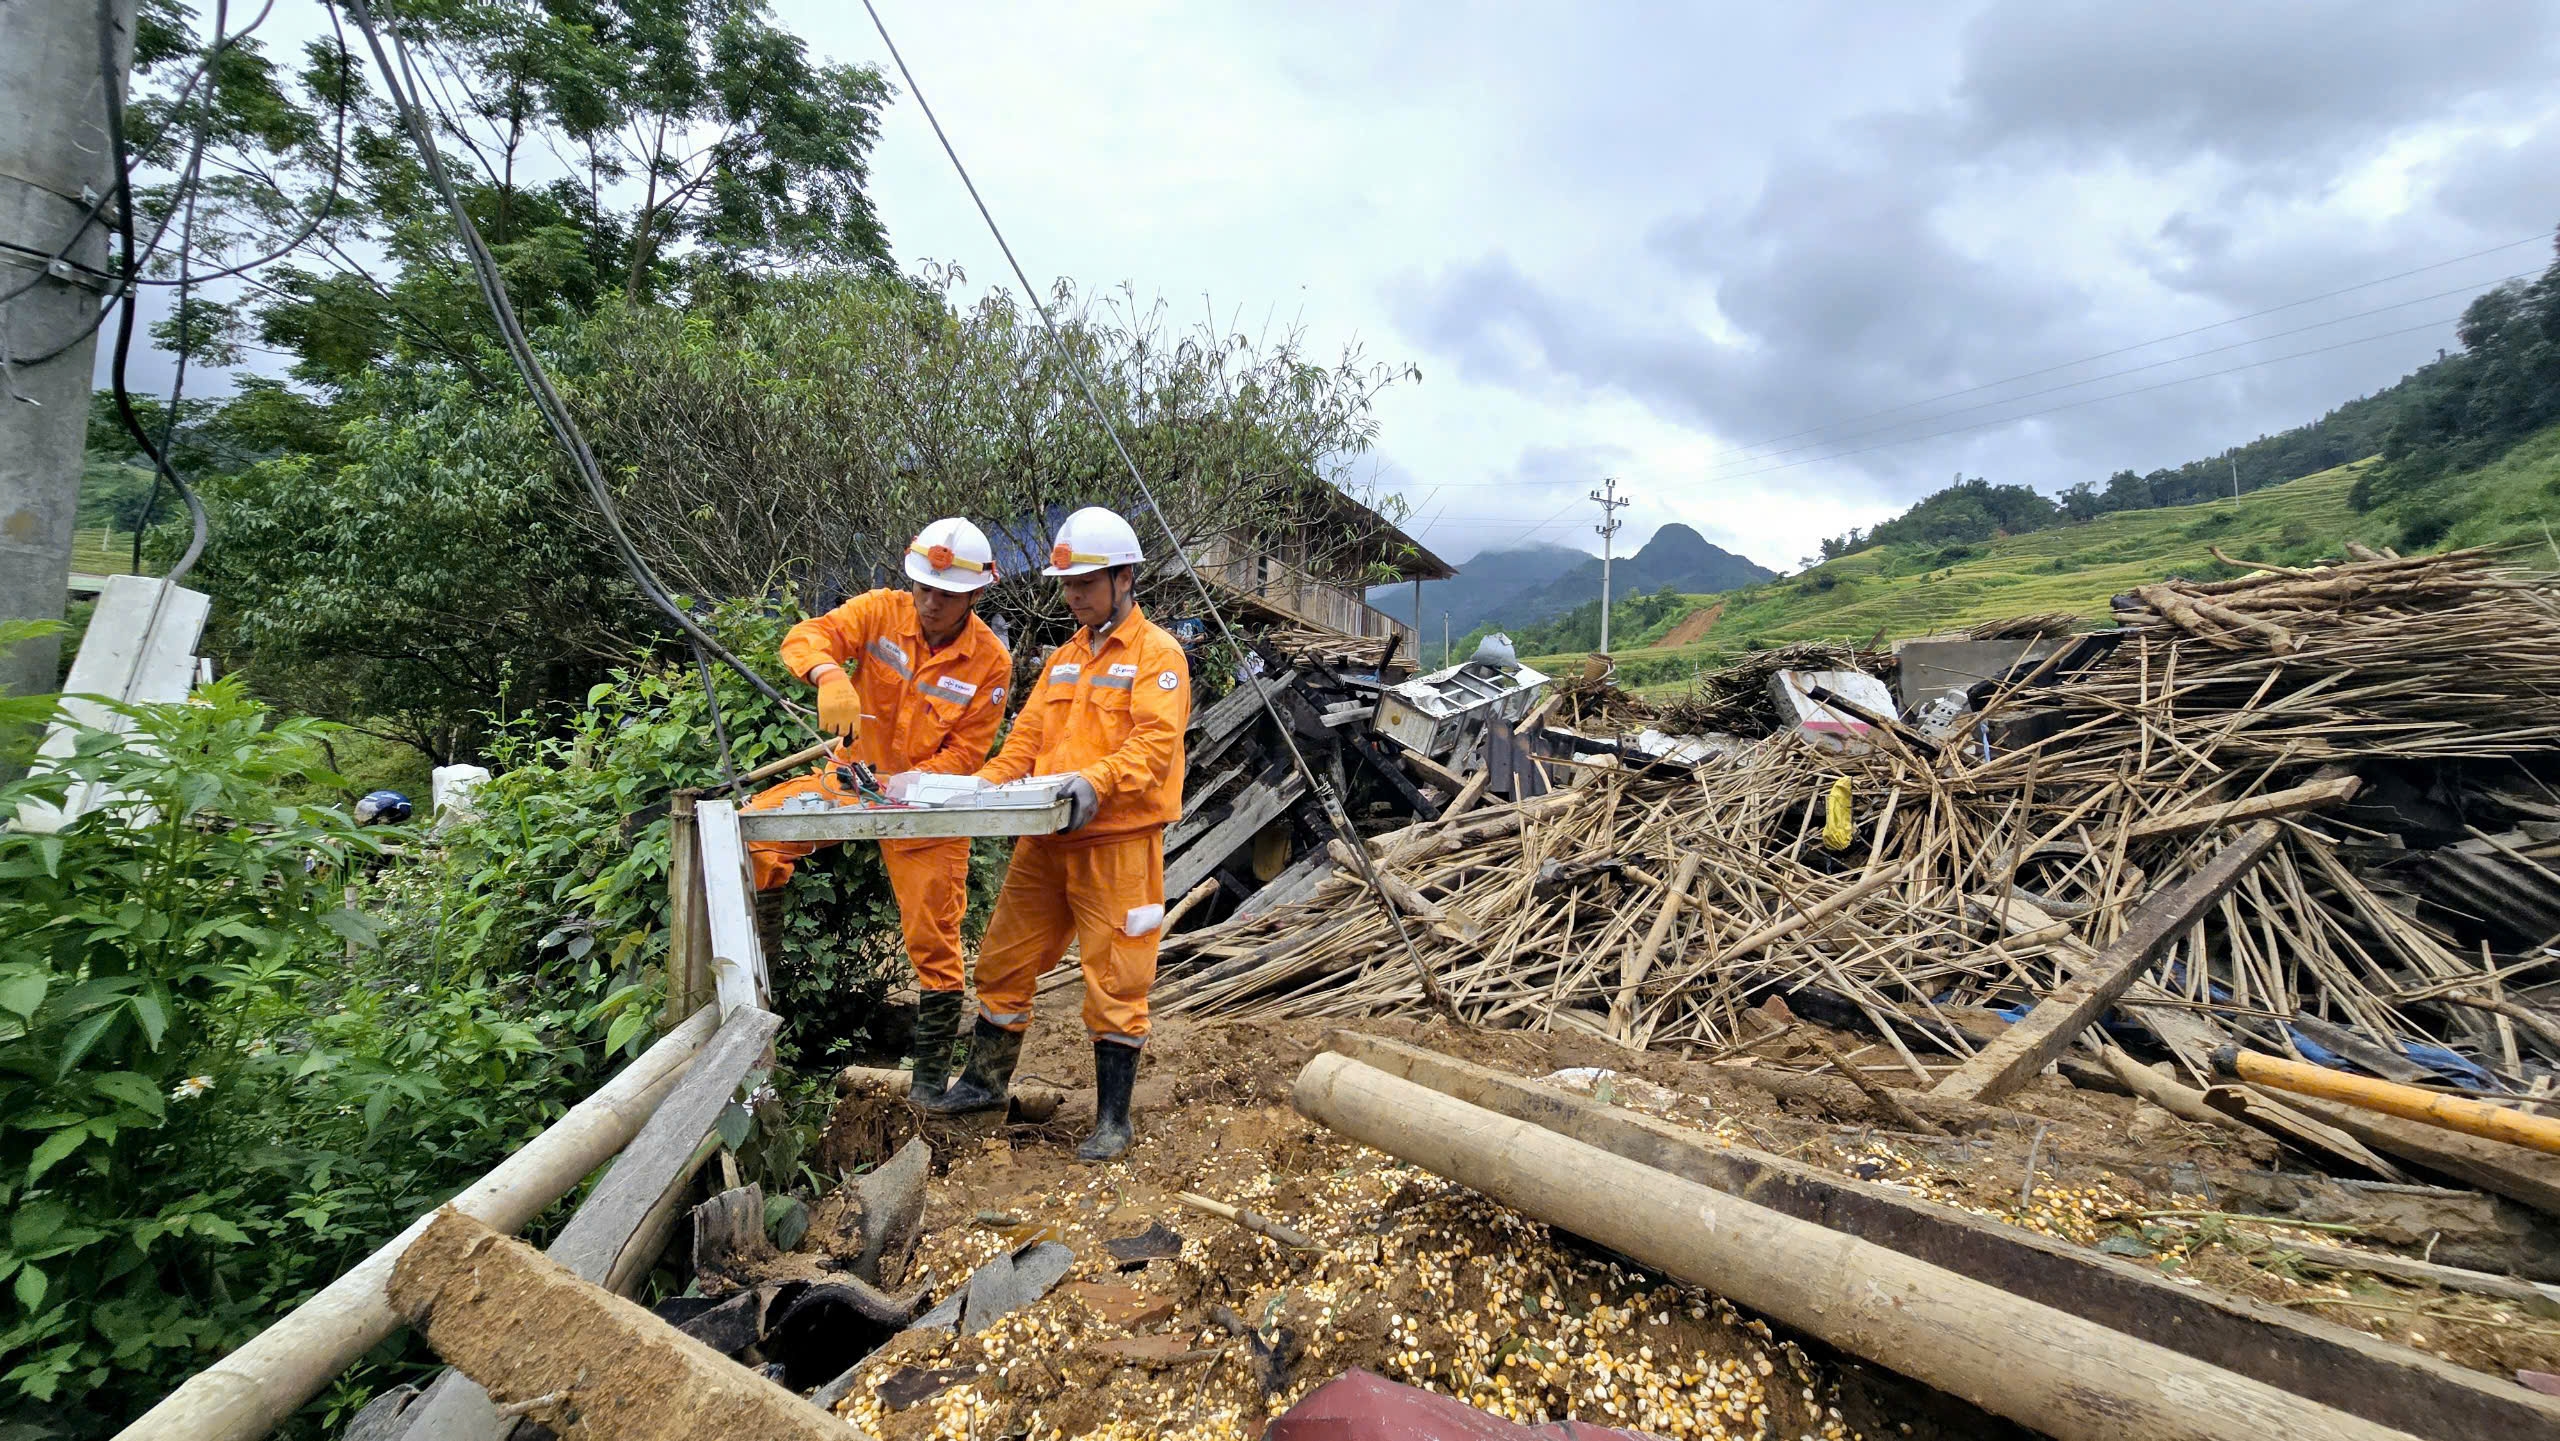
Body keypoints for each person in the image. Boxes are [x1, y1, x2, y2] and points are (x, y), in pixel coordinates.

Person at [917, 506, 1189, 1163]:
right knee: (1003, 960)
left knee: (1117, 978)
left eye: (1084, 585)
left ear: (1124, 578)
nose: (1071, 597)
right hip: (1045, 840)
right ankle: (983, 1084)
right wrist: (984, 787)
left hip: (1116, 841)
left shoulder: (1158, 656)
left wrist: (1097, 780)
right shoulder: (1064, 658)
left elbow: (1155, 743)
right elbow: (1028, 740)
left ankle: (1113, 1121)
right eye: (1066, 586)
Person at [742, 518, 1012, 1097]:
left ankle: (928, 1089)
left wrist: (913, 781)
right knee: (753, 834)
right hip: (851, 780)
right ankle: (760, 997)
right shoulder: (879, 611)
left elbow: (967, 752)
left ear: (976, 593)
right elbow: (805, 635)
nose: (931, 602)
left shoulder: (990, 662)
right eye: (923, 588)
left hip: (924, 806)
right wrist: (827, 673)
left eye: (946, 593)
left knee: (935, 939)